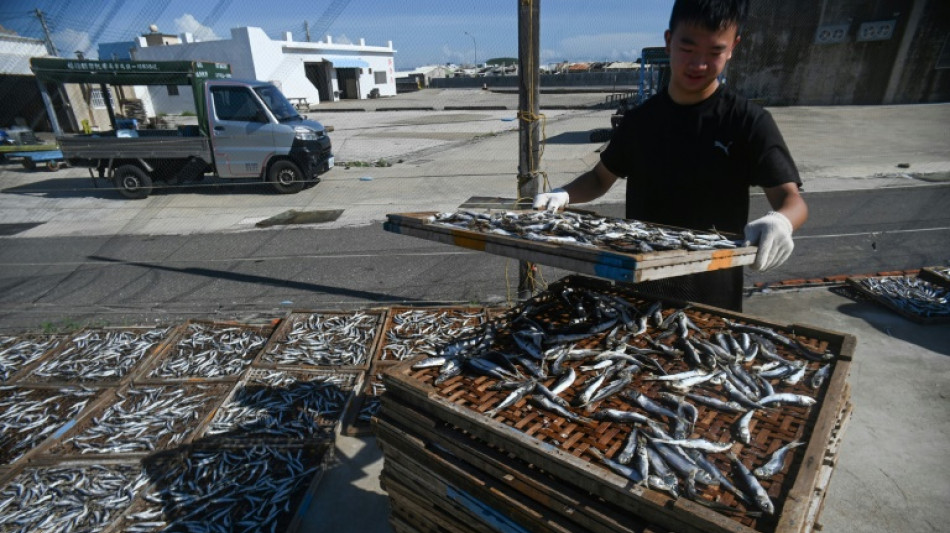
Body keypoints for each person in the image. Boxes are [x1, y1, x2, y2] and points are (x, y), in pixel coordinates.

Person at [533, 0, 807, 312]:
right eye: (687, 48)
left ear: (733, 48)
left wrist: (781, 221)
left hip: (711, 297)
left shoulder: (748, 122)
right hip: (639, 291)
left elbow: (792, 199)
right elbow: (600, 178)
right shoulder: (639, 121)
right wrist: (564, 194)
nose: (698, 64)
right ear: (668, 41)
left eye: (714, 52)